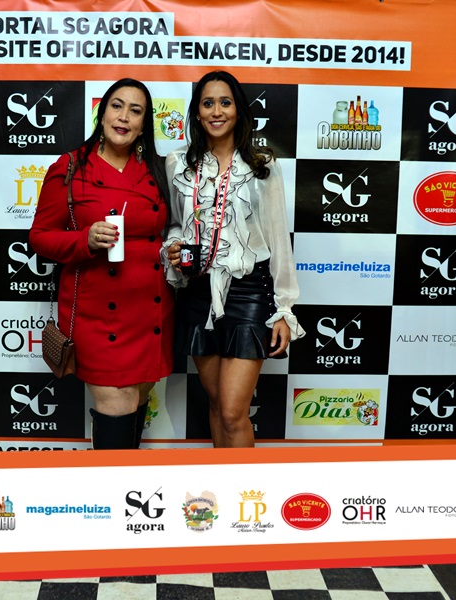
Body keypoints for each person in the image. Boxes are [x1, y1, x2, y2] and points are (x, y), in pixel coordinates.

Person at [30, 78, 174, 450]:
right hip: (98, 316)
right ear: (102, 112)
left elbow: (171, 229)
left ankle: (123, 481)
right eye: (116, 106)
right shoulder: (70, 167)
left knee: (137, 399)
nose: (124, 117)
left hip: (150, 313)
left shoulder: (158, 170)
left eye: (135, 111)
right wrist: (85, 240)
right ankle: (112, 484)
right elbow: (40, 237)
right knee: (118, 402)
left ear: (144, 124)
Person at [163, 70, 304, 448]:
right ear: (196, 113)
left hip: (249, 293)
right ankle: (222, 481)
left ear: (238, 110)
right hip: (196, 291)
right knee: (215, 404)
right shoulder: (178, 163)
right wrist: (173, 246)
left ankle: (244, 483)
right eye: (207, 103)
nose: (216, 111)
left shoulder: (262, 165)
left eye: (225, 102)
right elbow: (175, 223)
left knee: (231, 411)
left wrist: (284, 309)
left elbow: (279, 238)